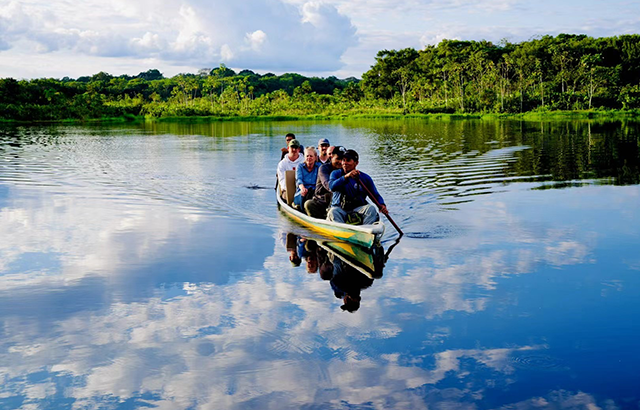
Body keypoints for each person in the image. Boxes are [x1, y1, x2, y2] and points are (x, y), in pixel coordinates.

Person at [327, 149, 388, 225]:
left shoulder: (364, 178)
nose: (345, 163)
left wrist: (382, 205)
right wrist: (346, 177)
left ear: (356, 163)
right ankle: (340, 230)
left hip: (358, 209)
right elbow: (332, 186)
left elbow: (375, 195)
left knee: (371, 209)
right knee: (333, 212)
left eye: (348, 160)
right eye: (343, 160)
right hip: (340, 209)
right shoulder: (335, 174)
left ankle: (365, 231)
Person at [304, 146, 346, 218]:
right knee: (308, 204)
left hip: (340, 201)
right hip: (323, 201)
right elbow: (328, 185)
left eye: (343, 159)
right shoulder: (324, 168)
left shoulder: (345, 169)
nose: (340, 162)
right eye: (338, 159)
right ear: (331, 158)